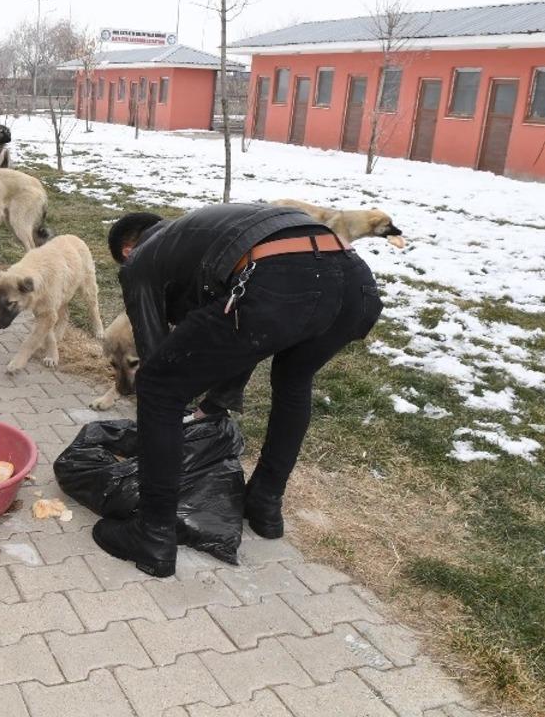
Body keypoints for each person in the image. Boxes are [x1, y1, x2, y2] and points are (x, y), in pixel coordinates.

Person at [93, 204, 384, 577]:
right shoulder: (207, 230)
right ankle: (265, 505)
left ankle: (152, 535)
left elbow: (154, 353)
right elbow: (242, 338)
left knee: (158, 388)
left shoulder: (141, 260)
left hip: (282, 280)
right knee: (294, 382)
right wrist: (214, 404)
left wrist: (166, 394)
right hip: (353, 284)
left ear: (128, 251)